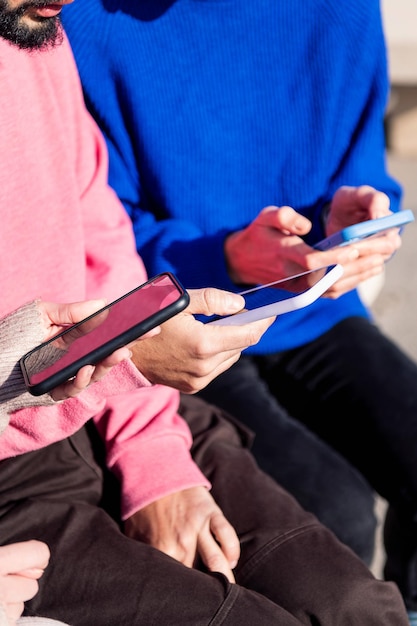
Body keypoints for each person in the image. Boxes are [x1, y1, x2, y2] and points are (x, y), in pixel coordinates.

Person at [0, 1, 410, 624]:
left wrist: (352, 222)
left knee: (354, 604)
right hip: (149, 355)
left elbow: (99, 237)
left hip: (196, 355)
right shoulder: (74, 23)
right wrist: (217, 261)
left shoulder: (36, 30)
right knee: (337, 506)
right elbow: (123, 244)